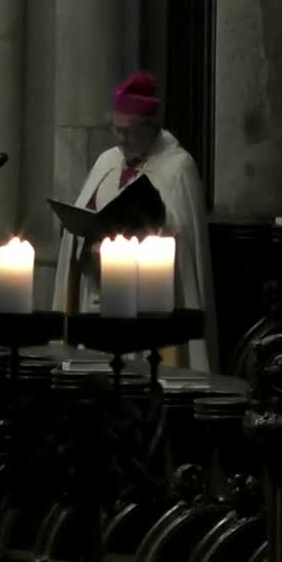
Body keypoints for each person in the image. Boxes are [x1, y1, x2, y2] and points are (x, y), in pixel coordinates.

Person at [51, 70, 219, 373]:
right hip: (96, 295)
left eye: (127, 131)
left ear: (150, 126)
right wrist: (78, 232)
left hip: (147, 306)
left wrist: (143, 233)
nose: (120, 138)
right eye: (115, 129)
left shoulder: (178, 168)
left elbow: (183, 241)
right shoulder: (106, 161)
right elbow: (83, 217)